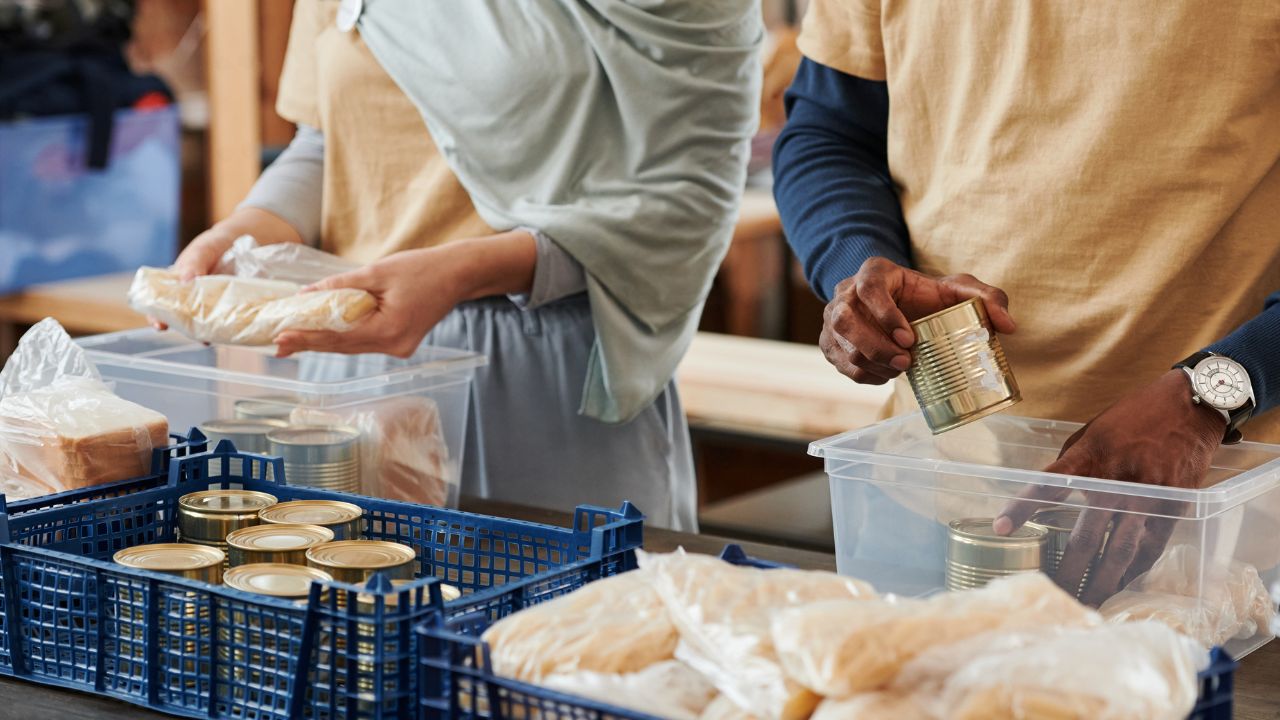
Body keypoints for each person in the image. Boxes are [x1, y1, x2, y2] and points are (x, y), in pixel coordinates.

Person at [167, 0, 763, 530]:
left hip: (550, 377)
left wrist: (464, 270)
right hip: (356, 377)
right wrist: (243, 229)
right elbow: (326, 142)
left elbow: (690, 197)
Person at [775, 0, 1279, 603]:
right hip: (935, 478)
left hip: (1219, 517)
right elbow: (829, 132)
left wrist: (1217, 389)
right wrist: (856, 267)